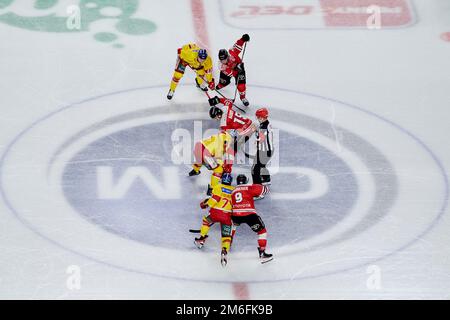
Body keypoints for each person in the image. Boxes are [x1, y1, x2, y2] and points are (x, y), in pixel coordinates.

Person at [230, 174, 273, 263]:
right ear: (245, 181)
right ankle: (262, 253)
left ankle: (228, 243)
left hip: (235, 214)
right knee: (262, 232)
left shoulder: (233, 191)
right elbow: (266, 190)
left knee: (233, 226)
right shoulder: (249, 187)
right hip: (249, 214)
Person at [195, 173, 234, 267]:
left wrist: (205, 205)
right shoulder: (234, 190)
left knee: (206, 221)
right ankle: (224, 251)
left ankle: (201, 239)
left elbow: (214, 199)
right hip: (228, 215)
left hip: (215, 213)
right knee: (226, 236)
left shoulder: (218, 186)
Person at [189, 131, 235, 195]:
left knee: (200, 160)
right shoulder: (226, 141)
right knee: (218, 170)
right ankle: (212, 189)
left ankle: (195, 170)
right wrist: (223, 167)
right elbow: (219, 157)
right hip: (205, 152)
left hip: (198, 146)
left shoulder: (219, 135)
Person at [216, 34, 250, 106]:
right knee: (223, 82)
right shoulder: (221, 66)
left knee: (241, 86)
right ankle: (221, 84)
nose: (223, 61)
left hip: (240, 68)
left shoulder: (232, 52)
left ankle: (243, 98)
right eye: (221, 60)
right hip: (232, 71)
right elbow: (231, 74)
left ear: (227, 56)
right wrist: (235, 68)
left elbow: (238, 45)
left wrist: (243, 39)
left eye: (224, 59)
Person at [246, 107, 274, 188]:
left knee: (255, 169)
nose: (257, 118)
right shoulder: (266, 123)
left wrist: (255, 133)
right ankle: (266, 178)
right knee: (261, 165)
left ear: (262, 117)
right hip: (267, 150)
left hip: (264, 151)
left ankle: (257, 188)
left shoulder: (263, 127)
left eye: (258, 117)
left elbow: (261, 138)